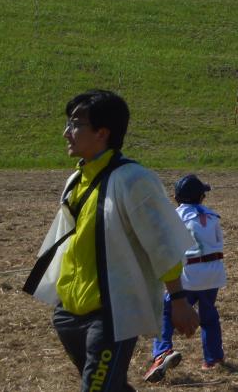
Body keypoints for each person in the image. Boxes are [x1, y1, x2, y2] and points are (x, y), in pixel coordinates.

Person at [28, 91, 200, 392]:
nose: (66, 133)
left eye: (75, 124)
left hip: (111, 317)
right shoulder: (75, 181)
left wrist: (179, 300)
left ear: (102, 133)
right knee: (112, 386)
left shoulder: (133, 180)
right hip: (68, 315)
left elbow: (162, 242)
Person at [143, 176, 227, 380]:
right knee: (208, 316)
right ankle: (213, 359)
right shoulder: (213, 216)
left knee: (166, 311)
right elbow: (219, 242)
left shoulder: (173, 217)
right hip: (213, 273)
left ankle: (162, 351)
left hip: (188, 276)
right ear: (201, 197)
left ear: (175, 197)